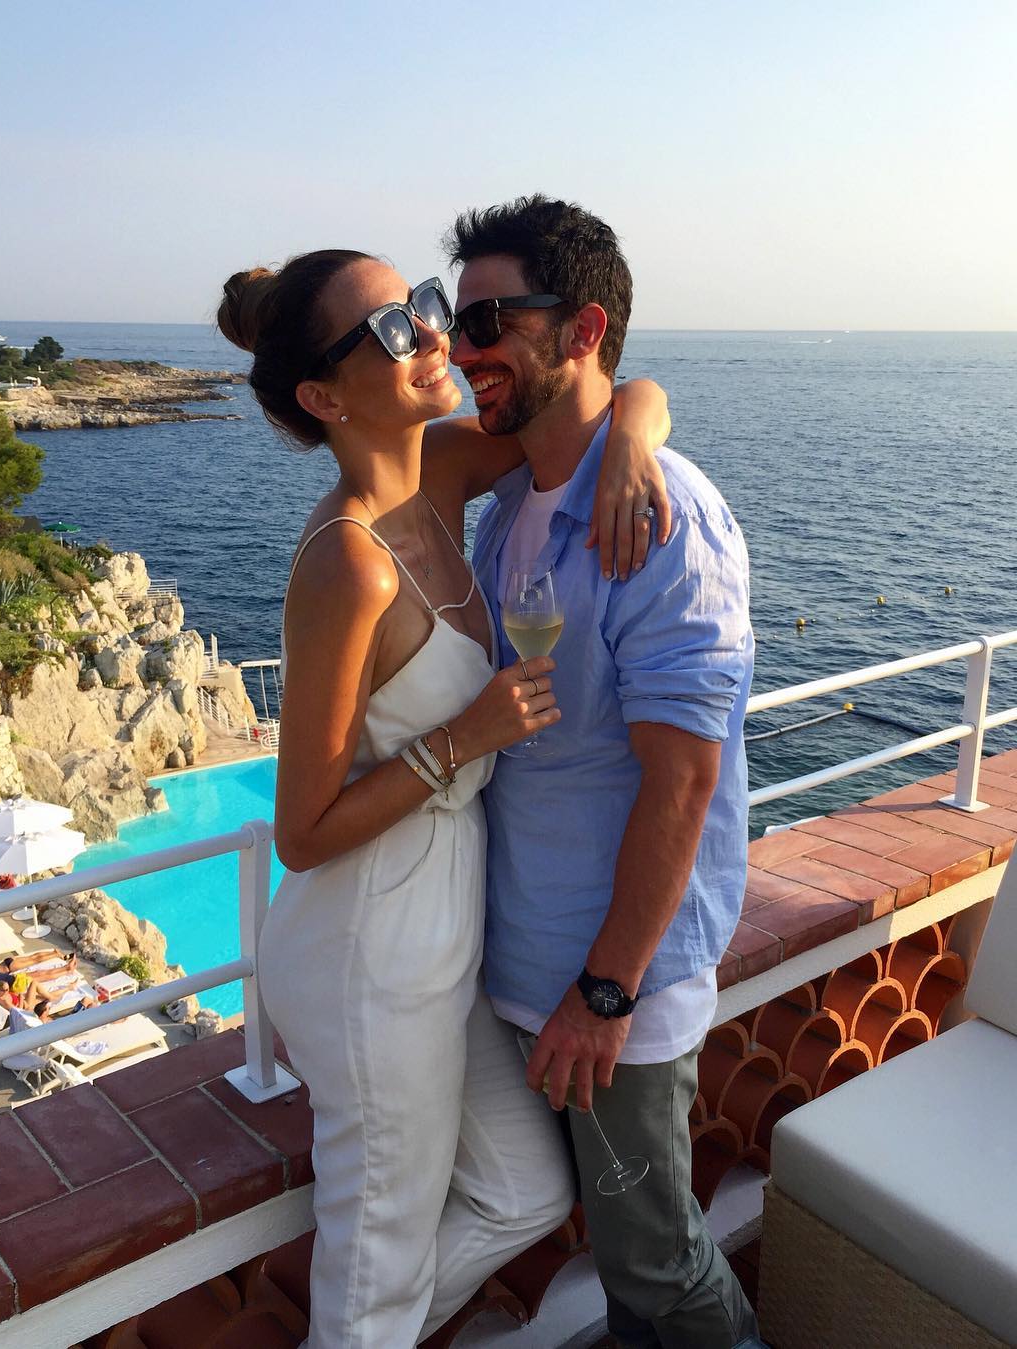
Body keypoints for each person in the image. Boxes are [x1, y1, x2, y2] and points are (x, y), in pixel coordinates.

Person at [217, 249, 673, 1347]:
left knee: (524, 1188)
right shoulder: (349, 563)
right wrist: (462, 739)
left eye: (420, 305)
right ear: (325, 397)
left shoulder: (446, 470)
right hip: (369, 952)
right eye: (392, 330)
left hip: (444, 932)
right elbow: (302, 831)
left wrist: (632, 442)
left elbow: (606, 395)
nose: (434, 334)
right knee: (374, 1257)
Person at [447, 195, 761, 1349]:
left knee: (656, 1259)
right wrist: (632, 412)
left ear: (582, 329)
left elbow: (682, 784)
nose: (462, 346)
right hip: (530, 964)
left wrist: (606, 991)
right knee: (625, 1257)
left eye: (489, 320)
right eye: (454, 318)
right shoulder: (509, 504)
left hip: (610, 984)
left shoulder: (664, 521)